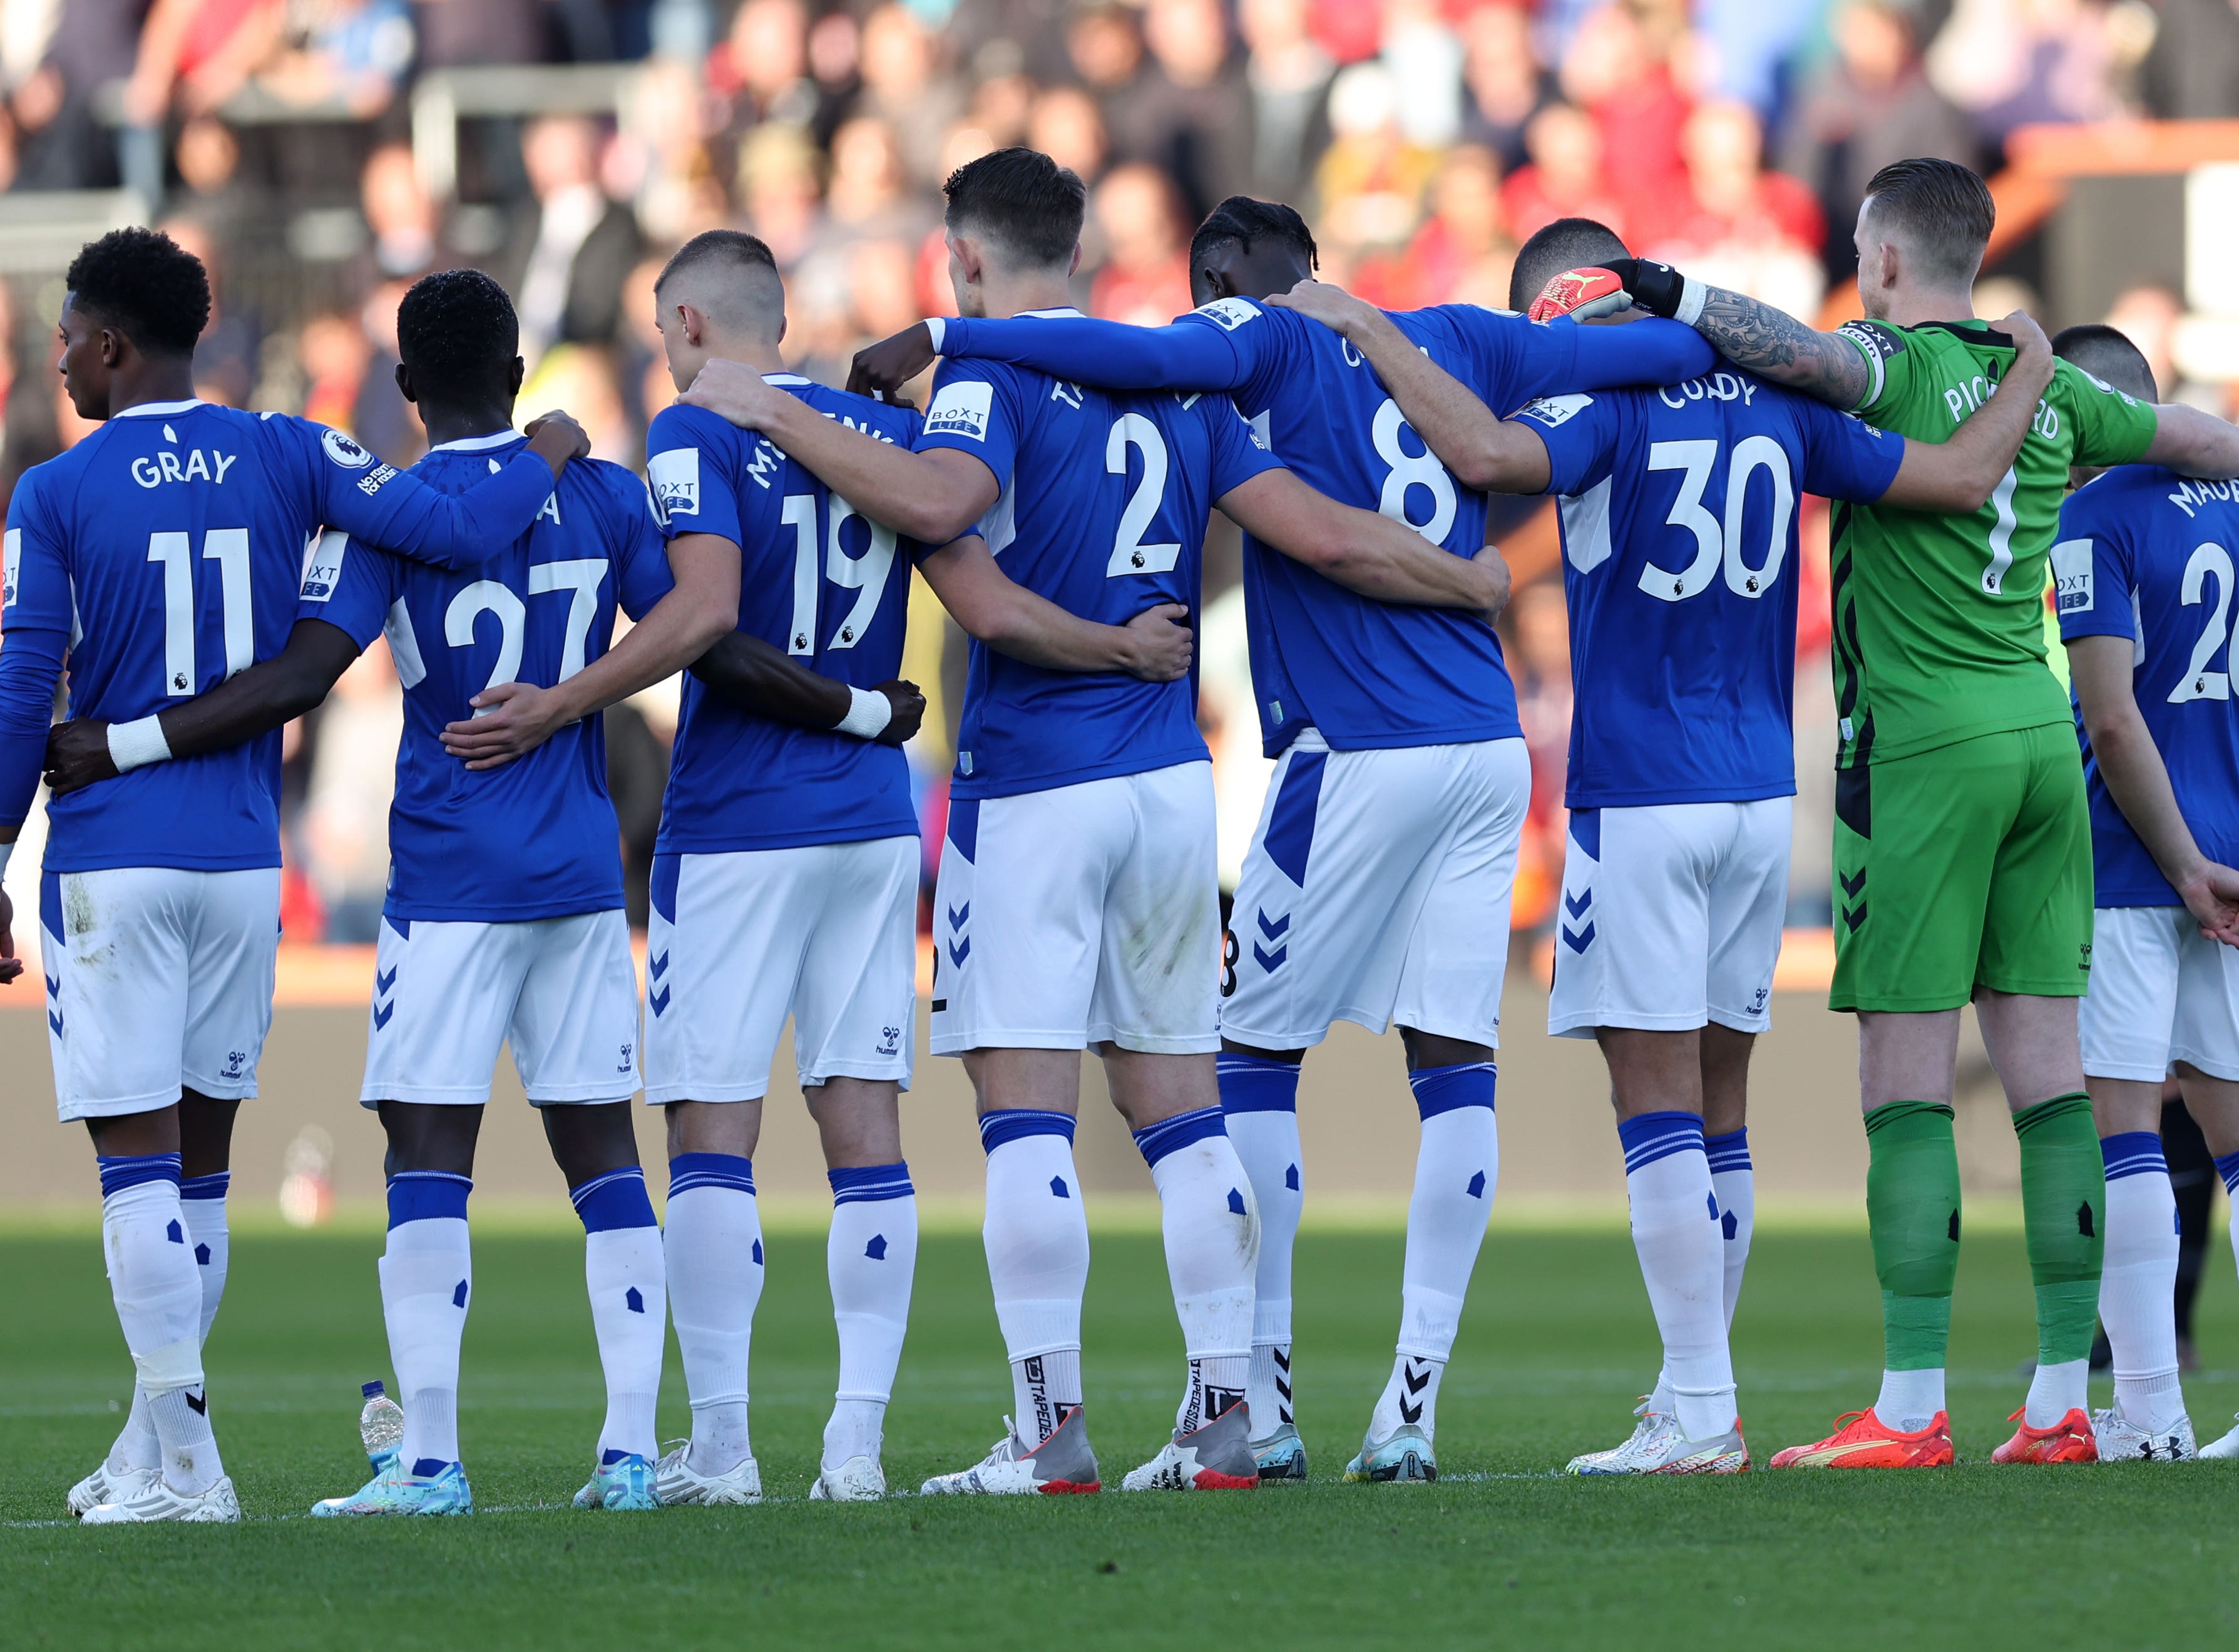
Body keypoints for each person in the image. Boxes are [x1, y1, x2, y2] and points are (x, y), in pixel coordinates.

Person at [675, 151, 1516, 1496]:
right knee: (1182, 1110)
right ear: (1074, 246)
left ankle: (1049, 1431)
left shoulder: (985, 381)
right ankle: (1225, 1417)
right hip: (1169, 789)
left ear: (961, 258)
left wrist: (774, 413)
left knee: (1026, 1116)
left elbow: (952, 523)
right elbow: (1320, 529)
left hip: (1036, 781)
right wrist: (1465, 576)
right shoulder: (1172, 379)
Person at [841, 194, 1717, 1483]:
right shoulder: (1461, 334)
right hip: (1484, 748)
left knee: (1243, 1066)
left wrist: (944, 330)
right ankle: (1409, 1411)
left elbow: (1138, 361)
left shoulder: (1252, 342)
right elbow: (1655, 355)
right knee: (1458, 1073)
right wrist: (1719, 327)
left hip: (1349, 750)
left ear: (1215, 281)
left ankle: (1256, 1401)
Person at [38, 269, 914, 1516]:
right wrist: (858, 708)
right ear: (517, 374)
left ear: (406, 390)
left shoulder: (393, 517)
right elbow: (706, 642)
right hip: (574, 869)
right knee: (606, 1157)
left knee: (426, 1159)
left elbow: (305, 672)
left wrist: (129, 737)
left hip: (447, 879)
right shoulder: (603, 495)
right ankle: (625, 1452)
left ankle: (435, 1462)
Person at [1552, 156, 2239, 1469]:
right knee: (2053, 1090)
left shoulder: (1886, 364)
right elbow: (2186, 436)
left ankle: (1911, 1407)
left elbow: (1777, 346)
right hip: (2038, 735)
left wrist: (1661, 288)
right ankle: (2062, 1401)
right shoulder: (2060, 385)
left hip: (1918, 747)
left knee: (1905, 1090)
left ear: (1890, 258)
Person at [1268, 217, 2053, 1474]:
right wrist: (2029, 370)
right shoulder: (1780, 402)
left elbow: (1474, 446)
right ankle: (1696, 1396)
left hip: (1640, 791)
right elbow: (1961, 479)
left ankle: (1700, 1409)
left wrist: (1361, 322)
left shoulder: (1600, 407)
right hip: (1756, 798)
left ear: (1560, 311)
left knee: (1655, 1112)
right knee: (1724, 1110)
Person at [0, 228, 592, 1525]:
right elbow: (470, 523)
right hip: (246, 863)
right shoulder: (295, 447)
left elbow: (28, 685)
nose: (58, 354)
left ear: (115, 344)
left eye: (70, 332)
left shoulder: (58, 489)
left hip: (114, 860)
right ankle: (149, 1447)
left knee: (134, 1167)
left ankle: (192, 1468)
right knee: (201, 1171)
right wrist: (550, 446)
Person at [443, 232, 930, 1505]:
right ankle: (857, 1449)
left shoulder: (694, 430)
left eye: (667, 332)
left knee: (712, 1129)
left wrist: (562, 700)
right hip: (875, 816)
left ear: (697, 325)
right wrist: (875, 710)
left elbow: (704, 614)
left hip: (744, 818)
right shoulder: (869, 427)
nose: (664, 354)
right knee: (865, 1128)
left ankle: (720, 1450)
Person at [2048, 324, 2239, 1462]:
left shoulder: (2094, 517)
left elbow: (2113, 717)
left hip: (2135, 867)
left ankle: (2153, 1414)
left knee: (2124, 1136)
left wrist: (2181, 866)